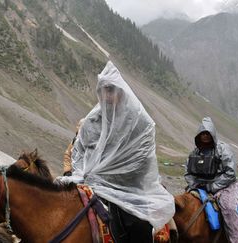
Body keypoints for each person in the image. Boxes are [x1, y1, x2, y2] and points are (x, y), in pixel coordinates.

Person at [59, 61, 175, 242]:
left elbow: (143, 158)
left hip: (129, 187)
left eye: (111, 90)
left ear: (121, 91)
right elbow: (79, 151)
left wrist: (113, 176)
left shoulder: (139, 121)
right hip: (91, 184)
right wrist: (80, 173)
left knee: (137, 224)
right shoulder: (92, 120)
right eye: (104, 90)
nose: (107, 95)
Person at [184, 117, 238, 243]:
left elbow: (230, 173)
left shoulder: (223, 149)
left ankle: (235, 240)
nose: (205, 136)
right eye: (202, 133)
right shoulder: (194, 153)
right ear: (198, 135)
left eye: (207, 133)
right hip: (200, 186)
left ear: (212, 134)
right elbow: (188, 172)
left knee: (229, 209)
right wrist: (194, 185)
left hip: (226, 185)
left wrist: (213, 186)